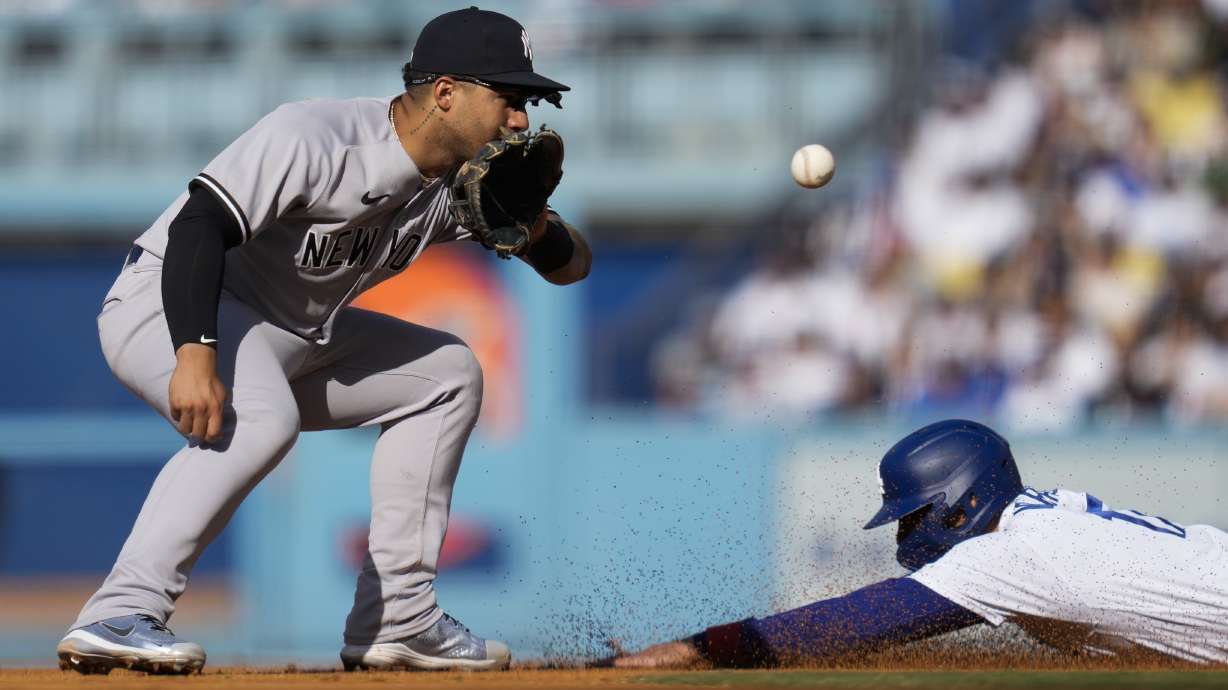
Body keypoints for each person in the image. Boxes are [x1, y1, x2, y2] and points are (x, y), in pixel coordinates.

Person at [56, 7, 590, 676]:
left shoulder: (455, 190)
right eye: (509, 99)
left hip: (290, 338)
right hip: (166, 301)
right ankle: (119, 611)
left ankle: (399, 618)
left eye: (527, 103)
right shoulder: (317, 135)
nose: (520, 119)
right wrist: (195, 350)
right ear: (447, 93)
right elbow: (199, 227)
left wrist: (536, 227)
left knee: (449, 375)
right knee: (263, 418)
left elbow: (573, 268)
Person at [615, 419, 1228, 668]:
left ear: (961, 505)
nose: (908, 534)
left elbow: (844, 625)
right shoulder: (1042, 515)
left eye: (915, 516)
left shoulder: (1007, 556)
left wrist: (691, 651)